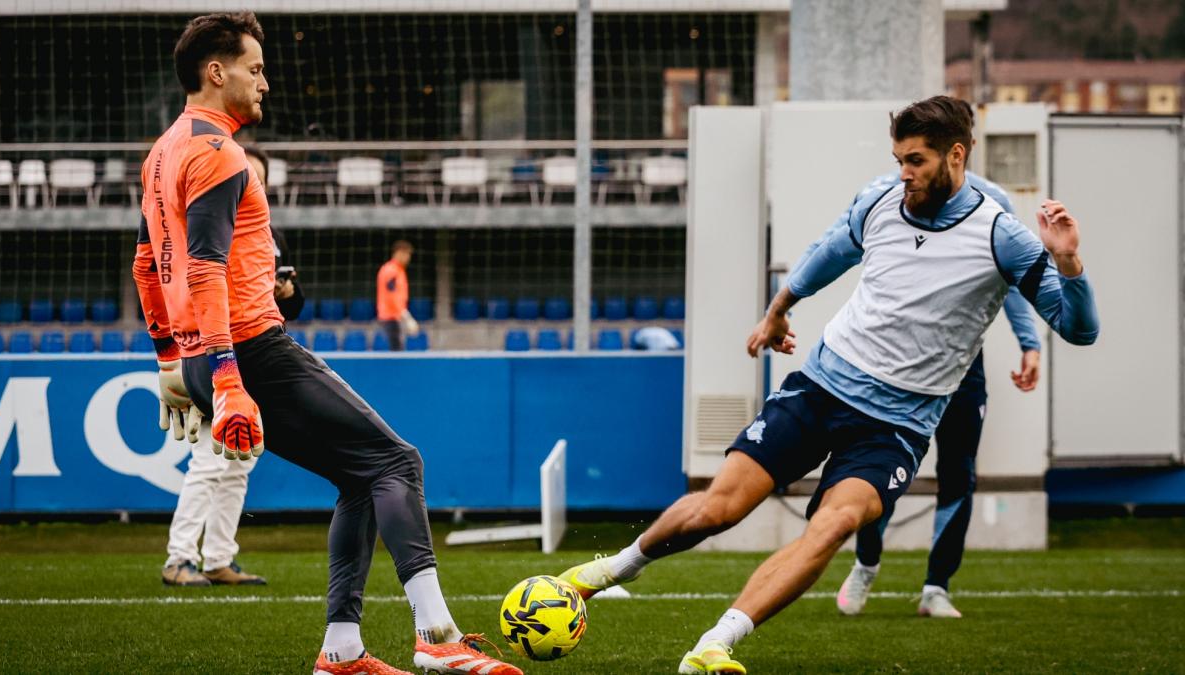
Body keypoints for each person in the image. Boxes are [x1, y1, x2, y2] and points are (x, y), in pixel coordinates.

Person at [555, 96, 1099, 674]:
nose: (905, 173)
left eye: (915, 160)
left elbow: (1079, 329)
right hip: (820, 387)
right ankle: (611, 570)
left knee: (834, 524)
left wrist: (1069, 264)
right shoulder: (880, 200)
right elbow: (829, 253)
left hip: (896, 428)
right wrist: (779, 310)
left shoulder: (1002, 234)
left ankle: (715, 644)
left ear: (955, 155)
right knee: (721, 506)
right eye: (899, 159)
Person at [132, 13, 520, 675]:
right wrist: (227, 379)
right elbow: (200, 266)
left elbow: (147, 261)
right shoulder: (219, 153)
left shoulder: (163, 151)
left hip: (207, 352)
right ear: (215, 71)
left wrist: (176, 361)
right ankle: (438, 634)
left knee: (360, 479)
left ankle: (341, 650)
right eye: (255, 68)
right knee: (398, 464)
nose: (265, 82)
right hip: (250, 350)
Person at [833, 171, 1041, 619]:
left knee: (958, 472)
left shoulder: (993, 201)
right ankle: (866, 563)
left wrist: (1030, 342)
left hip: (961, 367)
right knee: (875, 470)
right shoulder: (884, 193)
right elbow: (846, 252)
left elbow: (1011, 277)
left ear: (960, 148)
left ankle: (936, 587)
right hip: (890, 367)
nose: (913, 165)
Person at [159, 145, 305, 588]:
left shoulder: (270, 235)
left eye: (255, 177)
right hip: (214, 356)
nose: (248, 182)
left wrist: (285, 294)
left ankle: (218, 557)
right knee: (208, 459)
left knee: (238, 463)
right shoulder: (205, 226)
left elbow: (295, 303)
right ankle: (179, 558)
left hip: (256, 357)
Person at [376, 240, 419, 351]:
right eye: (407, 254)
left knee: (397, 351)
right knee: (396, 354)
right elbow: (392, 295)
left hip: (395, 317)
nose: (408, 258)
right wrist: (405, 316)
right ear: (399, 252)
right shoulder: (391, 270)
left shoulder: (398, 270)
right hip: (390, 318)